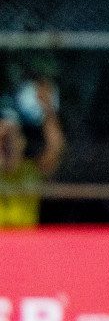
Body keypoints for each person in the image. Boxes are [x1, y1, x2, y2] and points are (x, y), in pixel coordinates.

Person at [0, 81, 64, 229]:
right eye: (3, 142)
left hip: (26, 245)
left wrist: (48, 108)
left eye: (13, 139)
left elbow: (56, 146)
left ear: (23, 143)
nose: (8, 145)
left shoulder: (32, 170)